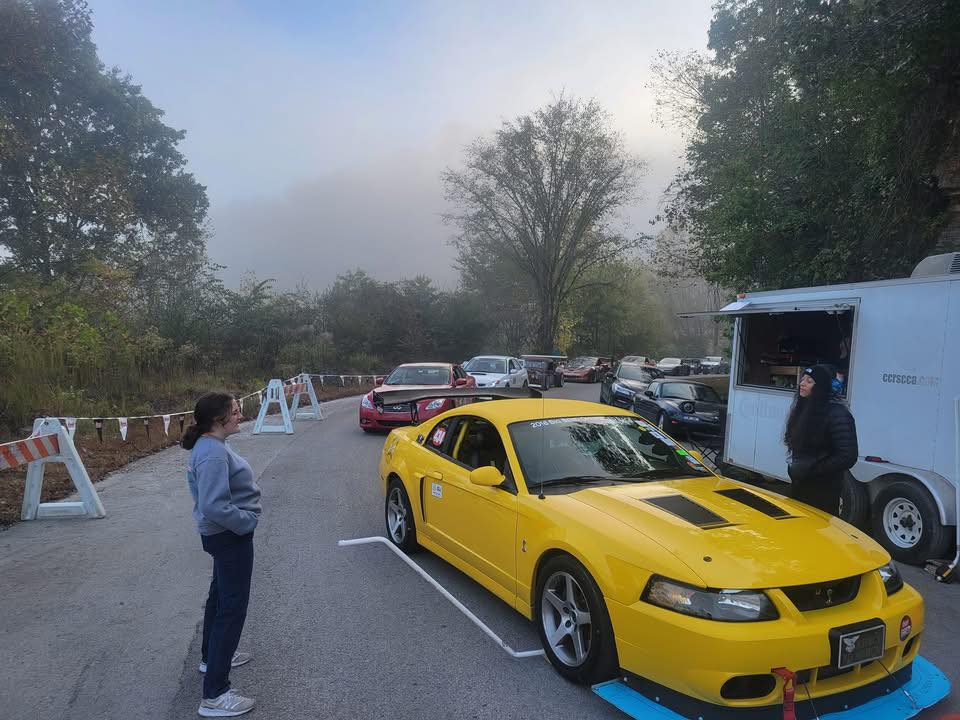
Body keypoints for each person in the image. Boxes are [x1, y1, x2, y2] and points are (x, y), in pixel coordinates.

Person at [183, 393, 261, 717]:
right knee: (232, 609)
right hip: (229, 536)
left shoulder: (211, 445)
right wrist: (246, 522)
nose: (240, 415)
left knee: (219, 598)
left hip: (223, 536)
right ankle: (215, 695)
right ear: (218, 420)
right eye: (235, 411)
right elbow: (213, 505)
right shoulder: (212, 453)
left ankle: (210, 658)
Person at [783, 364, 858, 515]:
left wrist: (814, 469)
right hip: (800, 484)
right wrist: (796, 468)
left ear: (820, 387)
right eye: (802, 379)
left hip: (824, 489)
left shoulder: (837, 413)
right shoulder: (803, 408)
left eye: (809, 381)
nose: (802, 384)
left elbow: (847, 456)